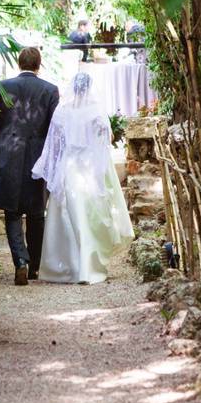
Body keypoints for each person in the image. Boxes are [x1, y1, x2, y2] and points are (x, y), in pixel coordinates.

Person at [32, 72, 133, 284]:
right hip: (88, 167)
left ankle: (65, 267)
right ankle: (87, 267)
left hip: (69, 166)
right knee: (86, 214)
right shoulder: (95, 110)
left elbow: (55, 143)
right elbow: (107, 138)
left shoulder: (63, 110)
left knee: (67, 212)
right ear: (88, 88)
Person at [0, 47, 60, 286]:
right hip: (38, 158)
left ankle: (21, 263)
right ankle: (35, 266)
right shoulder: (50, 90)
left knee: (12, 213)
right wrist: (56, 161)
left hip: (7, 155)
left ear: (19, 63)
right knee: (37, 213)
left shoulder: (2, 87)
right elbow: (55, 130)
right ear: (39, 65)